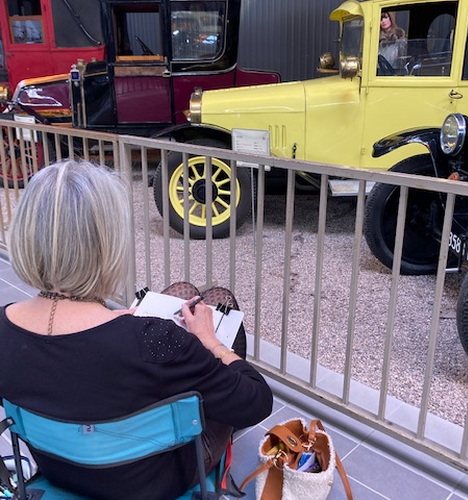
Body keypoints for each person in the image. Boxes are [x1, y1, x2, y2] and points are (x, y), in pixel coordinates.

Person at [0, 160, 273, 499]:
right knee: (219, 302)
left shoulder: (4, 325)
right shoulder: (154, 341)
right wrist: (210, 342)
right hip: (155, 481)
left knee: (181, 290)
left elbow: (67, 366)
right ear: (108, 245)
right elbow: (257, 402)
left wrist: (118, 324)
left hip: (61, 469)